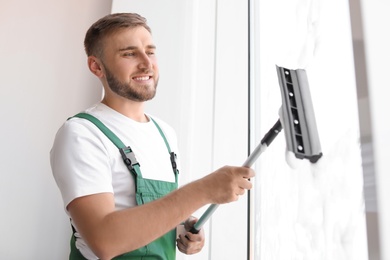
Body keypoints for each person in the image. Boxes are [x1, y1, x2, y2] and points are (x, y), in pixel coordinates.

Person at [50, 12, 254, 260]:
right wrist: (203, 190)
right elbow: (104, 240)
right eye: (129, 53)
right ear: (96, 66)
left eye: (150, 51)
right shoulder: (82, 134)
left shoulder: (164, 133)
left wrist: (182, 227)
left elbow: (146, 212)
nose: (147, 63)